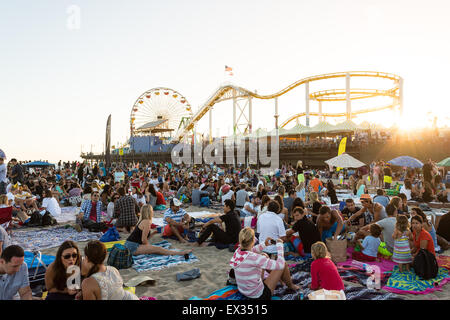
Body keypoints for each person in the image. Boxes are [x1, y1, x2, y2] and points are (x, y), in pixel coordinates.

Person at [229, 227, 299, 300]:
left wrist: (265, 244)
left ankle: (280, 279)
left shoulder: (238, 251)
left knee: (264, 255)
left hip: (244, 290)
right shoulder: (255, 258)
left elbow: (252, 250)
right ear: (253, 240)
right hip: (259, 295)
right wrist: (280, 246)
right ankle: (290, 285)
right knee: (283, 264)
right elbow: (280, 265)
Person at [125, 205, 192, 256]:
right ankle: (181, 253)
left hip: (130, 244)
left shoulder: (142, 221)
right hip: (132, 247)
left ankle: (180, 253)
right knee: (158, 249)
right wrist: (148, 246)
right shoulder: (147, 221)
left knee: (156, 248)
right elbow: (143, 240)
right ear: (149, 212)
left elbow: (140, 238)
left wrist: (153, 233)